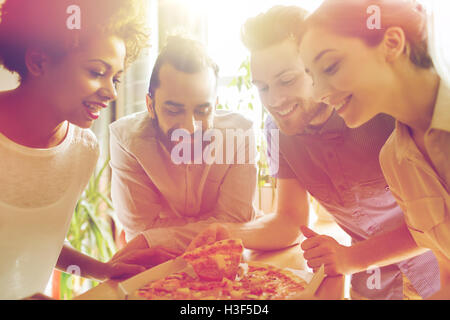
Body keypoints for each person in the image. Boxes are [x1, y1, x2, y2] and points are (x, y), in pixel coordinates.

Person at [190, 5, 440, 300]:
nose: (275, 100)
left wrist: (352, 258)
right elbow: (290, 220)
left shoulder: (380, 108)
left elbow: (437, 222)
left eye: (287, 80)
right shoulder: (278, 131)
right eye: (263, 87)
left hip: (438, 274)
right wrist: (231, 233)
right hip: (371, 288)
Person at [0, 0, 175, 300]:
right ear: (38, 62)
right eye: (97, 71)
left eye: (116, 77)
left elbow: (35, 239)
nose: (111, 91)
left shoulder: (82, 150)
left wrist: (104, 270)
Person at [298, 0, 449, 299]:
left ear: (391, 42)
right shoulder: (394, 160)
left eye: (330, 66)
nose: (318, 93)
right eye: (313, 77)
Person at [108, 35, 258, 257]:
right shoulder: (126, 140)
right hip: (157, 266)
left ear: (215, 106)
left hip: (227, 259)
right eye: (174, 110)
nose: (190, 128)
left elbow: (233, 222)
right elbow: (140, 230)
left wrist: (160, 234)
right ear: (150, 105)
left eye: (202, 110)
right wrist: (212, 225)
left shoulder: (240, 133)